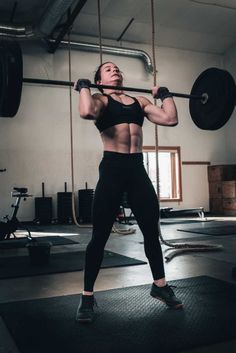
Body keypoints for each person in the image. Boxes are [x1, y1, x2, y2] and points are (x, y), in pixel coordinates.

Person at [74, 62, 182, 323]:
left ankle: (159, 285)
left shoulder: (139, 101)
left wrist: (166, 94)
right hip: (112, 169)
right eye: (109, 69)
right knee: (99, 236)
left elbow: (171, 118)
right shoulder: (99, 100)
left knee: (150, 232)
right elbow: (86, 112)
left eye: (117, 68)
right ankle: (87, 297)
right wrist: (83, 89)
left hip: (136, 169)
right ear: (100, 79)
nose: (116, 71)